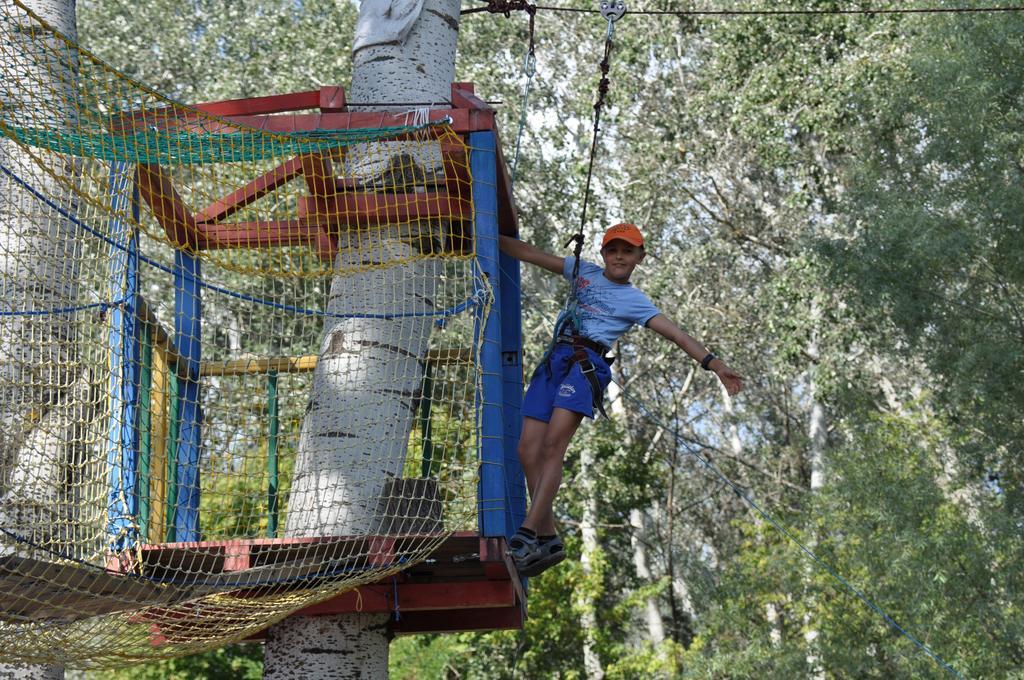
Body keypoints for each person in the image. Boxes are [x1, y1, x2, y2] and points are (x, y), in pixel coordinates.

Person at [498, 223, 743, 577]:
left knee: (553, 447)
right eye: (613, 250)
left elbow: (677, 334)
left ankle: (528, 529)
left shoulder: (635, 301)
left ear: (640, 258)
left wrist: (715, 365)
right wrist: (484, 231)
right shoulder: (583, 272)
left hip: (586, 367)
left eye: (627, 251)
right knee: (527, 449)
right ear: (602, 254)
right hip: (555, 361)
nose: (619, 257)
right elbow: (530, 253)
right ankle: (548, 535)